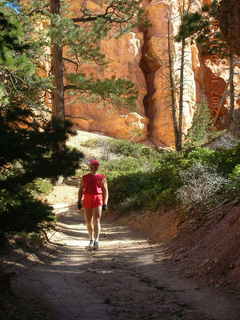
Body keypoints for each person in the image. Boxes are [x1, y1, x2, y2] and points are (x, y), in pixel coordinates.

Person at [78, 159, 108, 250]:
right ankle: (91, 239)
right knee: (88, 220)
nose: (94, 167)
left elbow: (105, 191)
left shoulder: (102, 177)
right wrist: (79, 201)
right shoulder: (85, 177)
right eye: (93, 166)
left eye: (96, 166)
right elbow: (80, 190)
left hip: (98, 198)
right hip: (87, 198)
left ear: (98, 167)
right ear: (90, 166)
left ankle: (97, 240)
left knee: (97, 220)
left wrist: (105, 203)